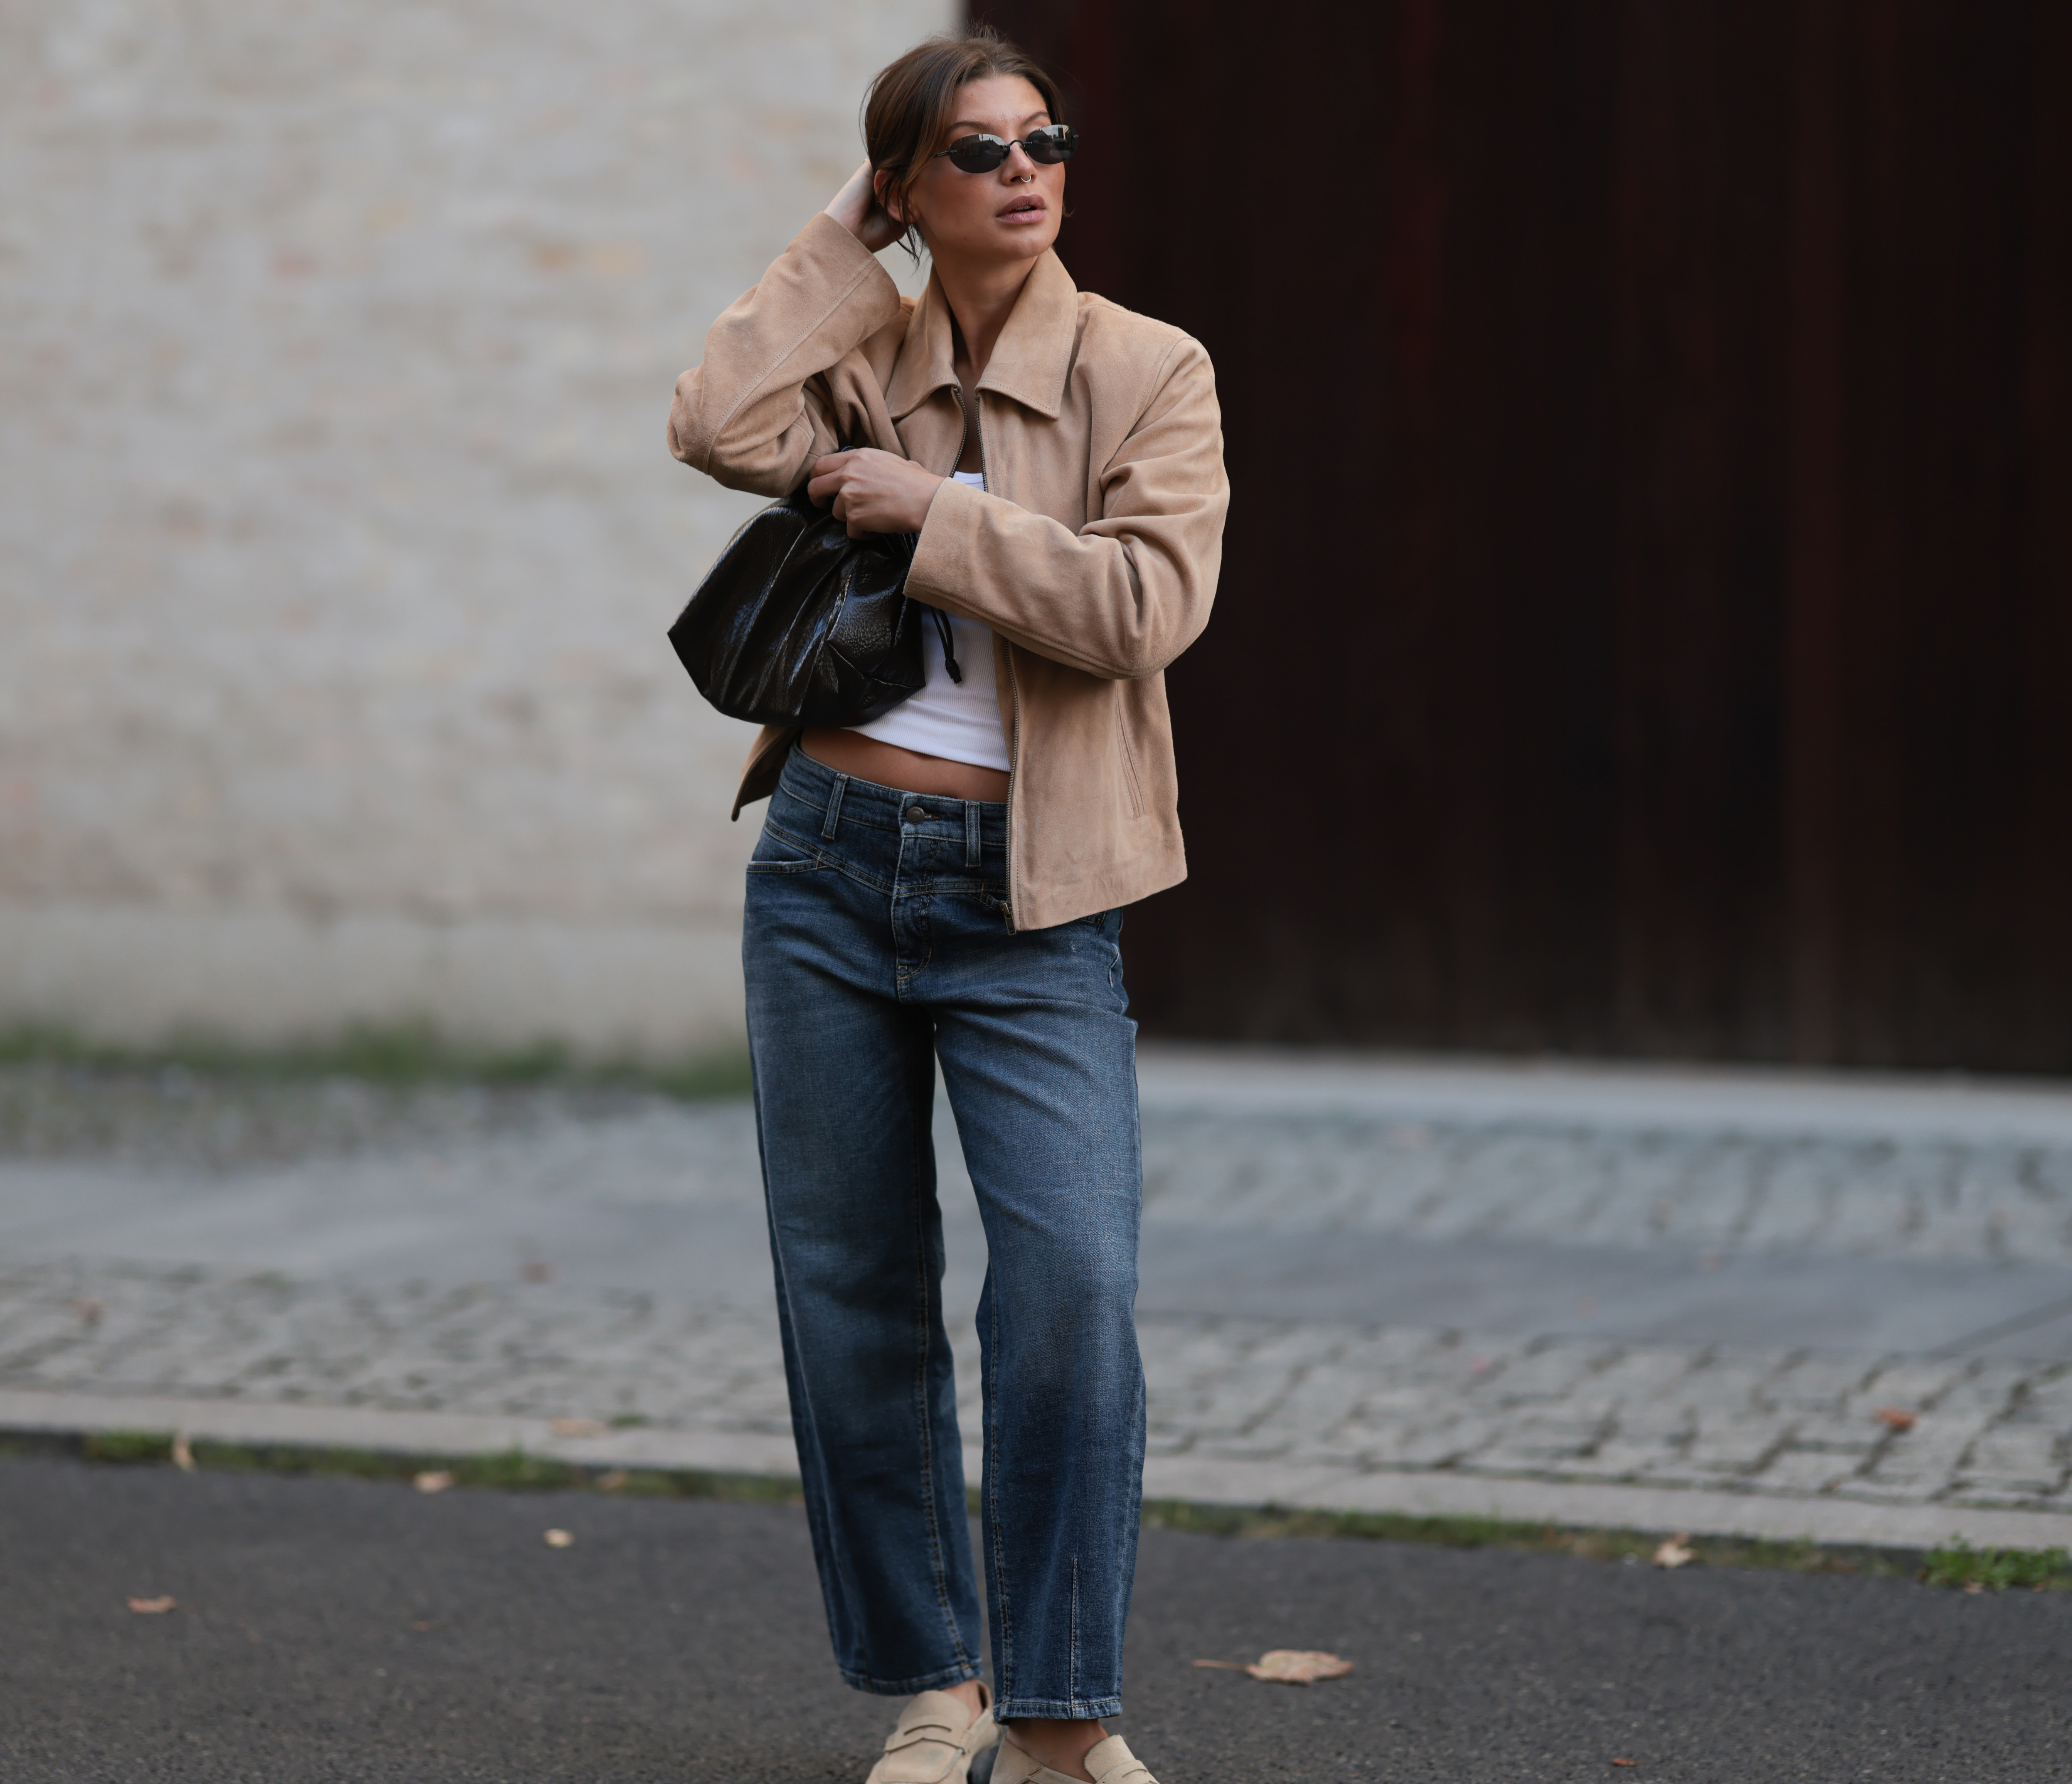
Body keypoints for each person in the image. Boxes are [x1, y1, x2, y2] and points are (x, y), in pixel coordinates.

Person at [667, 26, 1227, 1784]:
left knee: (1068, 1286)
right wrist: (841, 239)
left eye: (1042, 137)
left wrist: (930, 518)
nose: (1021, 168)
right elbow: (712, 421)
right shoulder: (860, 352)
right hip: (827, 866)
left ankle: (1063, 1713)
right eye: (972, 151)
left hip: (1036, 892)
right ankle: (940, 1685)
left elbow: (1147, 604)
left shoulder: (1149, 368)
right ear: (912, 188)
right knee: (851, 1287)